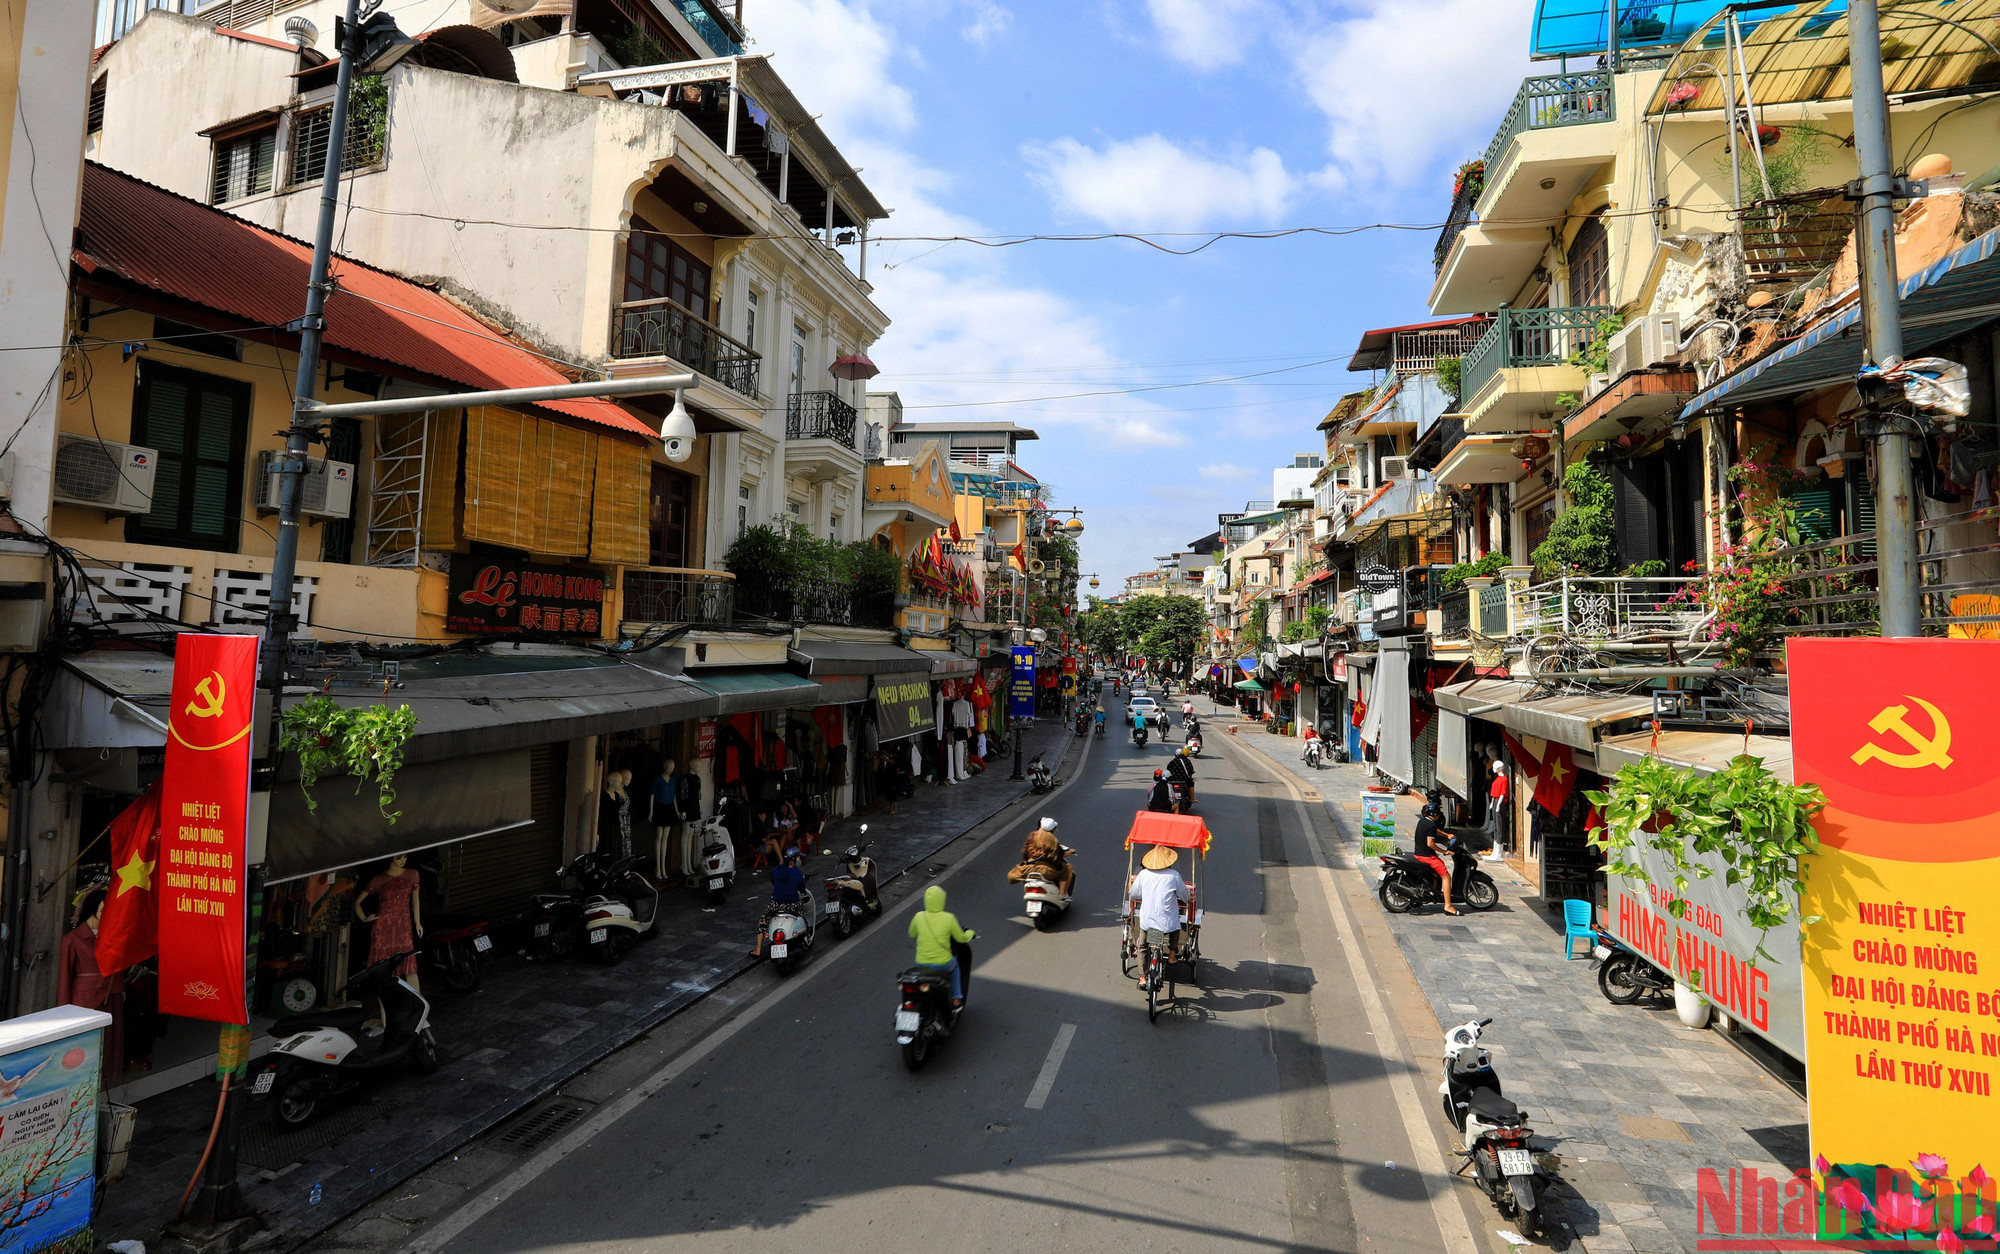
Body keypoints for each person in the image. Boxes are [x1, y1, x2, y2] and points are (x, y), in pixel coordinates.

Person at [58, 887, 125, 1086]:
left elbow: (120, 965)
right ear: (92, 910)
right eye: (103, 911)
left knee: (111, 1041)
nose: (107, 916)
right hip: (85, 998)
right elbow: (64, 978)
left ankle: (105, 1081)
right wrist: (63, 1010)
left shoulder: (113, 936)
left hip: (111, 994)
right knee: (85, 1043)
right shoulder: (72, 940)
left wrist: (120, 989)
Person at [908, 884, 975, 1007]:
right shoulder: (948, 918)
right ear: (941, 900)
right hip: (943, 964)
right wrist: (970, 933)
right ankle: (956, 998)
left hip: (921, 963)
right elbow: (961, 938)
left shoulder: (919, 916)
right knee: (955, 968)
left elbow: (911, 933)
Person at [1129, 844, 1189, 966]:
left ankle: (1142, 978)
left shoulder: (1143, 874)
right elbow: (1185, 896)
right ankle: (1172, 955)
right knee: (1176, 927)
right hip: (1167, 922)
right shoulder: (1174, 875)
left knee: (1142, 947)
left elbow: (1133, 894)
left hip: (1147, 921)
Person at [751, 847, 809, 958]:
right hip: (793, 904)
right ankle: (808, 939)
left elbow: (773, 882)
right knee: (803, 918)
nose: (798, 859)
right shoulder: (797, 873)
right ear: (792, 860)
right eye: (797, 857)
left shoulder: (776, 871)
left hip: (776, 904)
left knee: (763, 921)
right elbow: (802, 890)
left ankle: (758, 949)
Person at [1414, 797, 1459, 916]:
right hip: (1427, 857)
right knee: (1446, 877)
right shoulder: (1431, 826)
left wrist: (1446, 835)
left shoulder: (1423, 821)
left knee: (1436, 876)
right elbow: (1430, 844)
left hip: (1418, 854)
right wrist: (1444, 851)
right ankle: (1448, 906)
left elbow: (1435, 831)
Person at [1010, 817, 1074, 896]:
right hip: (1045, 871)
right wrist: (1071, 851)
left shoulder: (1032, 836)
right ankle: (1062, 894)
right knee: (1066, 869)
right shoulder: (1052, 840)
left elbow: (1025, 851)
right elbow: (1061, 855)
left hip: (1028, 868)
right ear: (1053, 829)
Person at [1484, 759, 1510, 861]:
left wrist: (1498, 804)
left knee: (1499, 827)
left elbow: (1503, 793)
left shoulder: (1504, 779)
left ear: (1499, 768)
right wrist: (1492, 802)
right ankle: (1495, 850)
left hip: (1500, 802)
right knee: (1495, 826)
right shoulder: (1497, 778)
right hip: (1495, 801)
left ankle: (1498, 852)